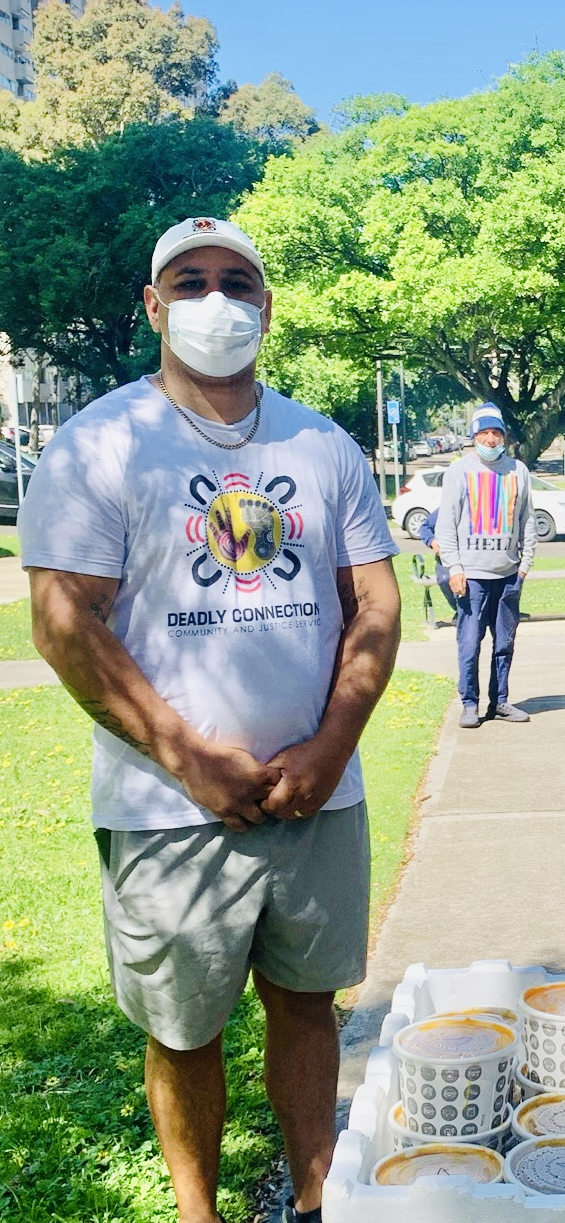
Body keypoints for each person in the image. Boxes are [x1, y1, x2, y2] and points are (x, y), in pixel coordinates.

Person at [19, 217, 401, 1223]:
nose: (215, 299)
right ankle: (197, 1213)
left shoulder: (321, 442)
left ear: (267, 305)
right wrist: (188, 758)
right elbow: (64, 620)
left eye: (237, 281)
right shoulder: (101, 440)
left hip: (317, 798)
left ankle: (316, 1195)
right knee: (183, 1031)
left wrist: (329, 748)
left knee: (308, 1005)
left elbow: (377, 604)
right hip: (169, 811)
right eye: (188, 282)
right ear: (153, 306)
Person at [435, 403, 537, 728]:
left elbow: (528, 521)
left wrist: (523, 568)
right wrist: (454, 567)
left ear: (504, 436)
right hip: (471, 577)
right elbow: (446, 526)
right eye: (484, 433)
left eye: (496, 433)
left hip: (508, 575)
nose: (490, 439)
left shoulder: (518, 471)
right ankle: (469, 704)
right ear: (474, 436)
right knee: (469, 643)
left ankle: (501, 701)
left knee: (504, 642)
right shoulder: (459, 471)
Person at [417, 507, 459, 623]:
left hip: (469, 559)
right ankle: (459, 610)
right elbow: (425, 528)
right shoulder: (445, 509)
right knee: (445, 579)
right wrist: (432, 542)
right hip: (446, 559)